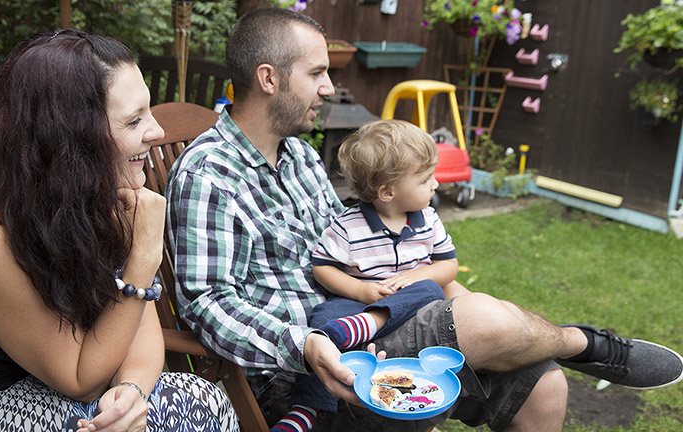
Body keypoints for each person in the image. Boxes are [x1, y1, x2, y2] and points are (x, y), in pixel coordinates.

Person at [166, 8, 683, 432]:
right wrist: (302, 344)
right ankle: (585, 343)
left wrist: (412, 267)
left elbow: (345, 241)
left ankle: (566, 350)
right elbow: (206, 304)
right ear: (269, 78)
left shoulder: (297, 156)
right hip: (308, 374)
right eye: (317, 72)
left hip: (364, 319)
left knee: (543, 386)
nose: (328, 88)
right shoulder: (209, 175)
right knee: (480, 318)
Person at [0, 29, 238, 432]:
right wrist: (142, 255)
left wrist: (133, 391)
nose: (156, 131)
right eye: (134, 120)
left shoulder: (93, 193)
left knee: (198, 399)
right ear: (70, 135)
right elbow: (80, 380)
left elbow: (140, 326)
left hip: (53, 390)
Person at [273, 119, 460, 430]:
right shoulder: (348, 226)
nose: (435, 184)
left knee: (432, 288)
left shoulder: (428, 219)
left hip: (410, 302)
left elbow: (448, 266)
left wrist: (415, 277)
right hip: (356, 304)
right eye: (426, 178)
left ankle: (370, 323)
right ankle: (306, 409)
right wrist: (360, 292)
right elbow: (322, 267)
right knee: (323, 322)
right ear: (387, 192)